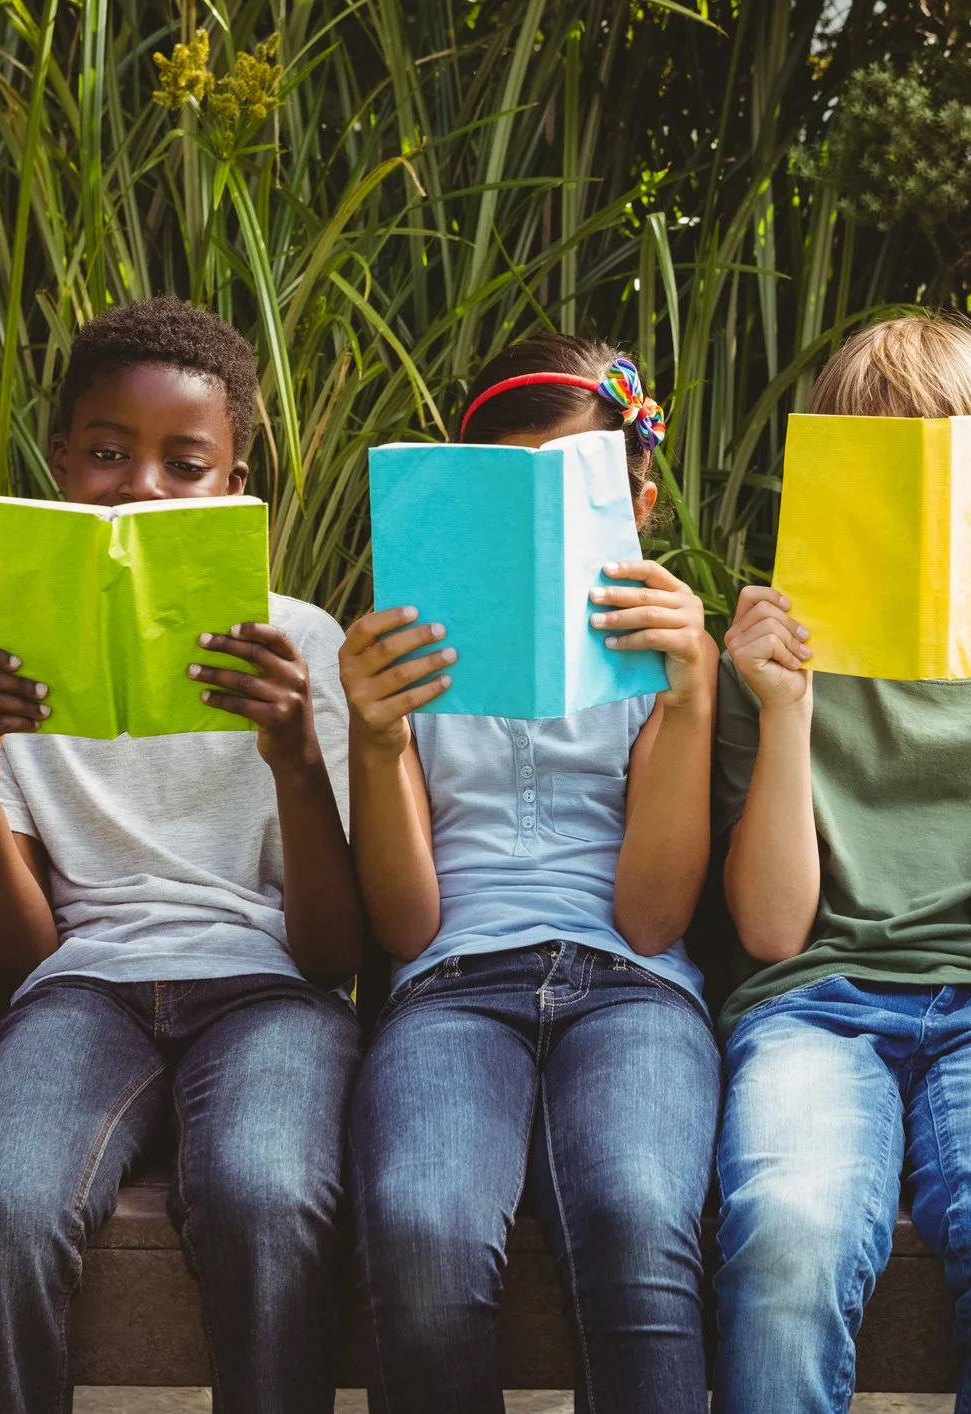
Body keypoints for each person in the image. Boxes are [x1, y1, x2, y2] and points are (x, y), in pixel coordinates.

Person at [0, 297, 363, 1414]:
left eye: (187, 463)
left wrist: (293, 756)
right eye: (110, 454)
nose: (143, 487)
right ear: (62, 459)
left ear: (234, 482)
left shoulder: (299, 643)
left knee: (267, 1194)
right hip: (83, 988)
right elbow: (26, 949)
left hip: (268, 990)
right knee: (0, 1202)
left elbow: (327, 951)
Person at [710, 313, 971, 1414]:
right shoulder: (776, 650)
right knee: (788, 1231)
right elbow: (770, 932)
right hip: (810, 1006)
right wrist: (786, 711)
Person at [341, 335, 718, 1413]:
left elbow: (652, 919)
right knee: (421, 1229)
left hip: (633, 986)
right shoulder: (410, 660)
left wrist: (690, 700)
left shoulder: (665, 667)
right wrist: (376, 743)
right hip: (451, 985)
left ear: (636, 501)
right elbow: (407, 924)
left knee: (639, 1215)